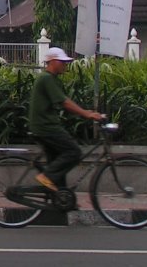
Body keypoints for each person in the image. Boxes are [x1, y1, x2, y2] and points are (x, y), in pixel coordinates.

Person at [28, 46, 105, 191]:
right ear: (52, 62)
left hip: (45, 126)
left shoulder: (52, 79)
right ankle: (47, 176)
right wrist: (86, 114)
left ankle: (60, 201)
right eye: (62, 62)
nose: (65, 65)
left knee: (58, 164)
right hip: (46, 127)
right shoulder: (46, 79)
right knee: (74, 152)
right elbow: (64, 102)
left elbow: (64, 102)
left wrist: (85, 112)